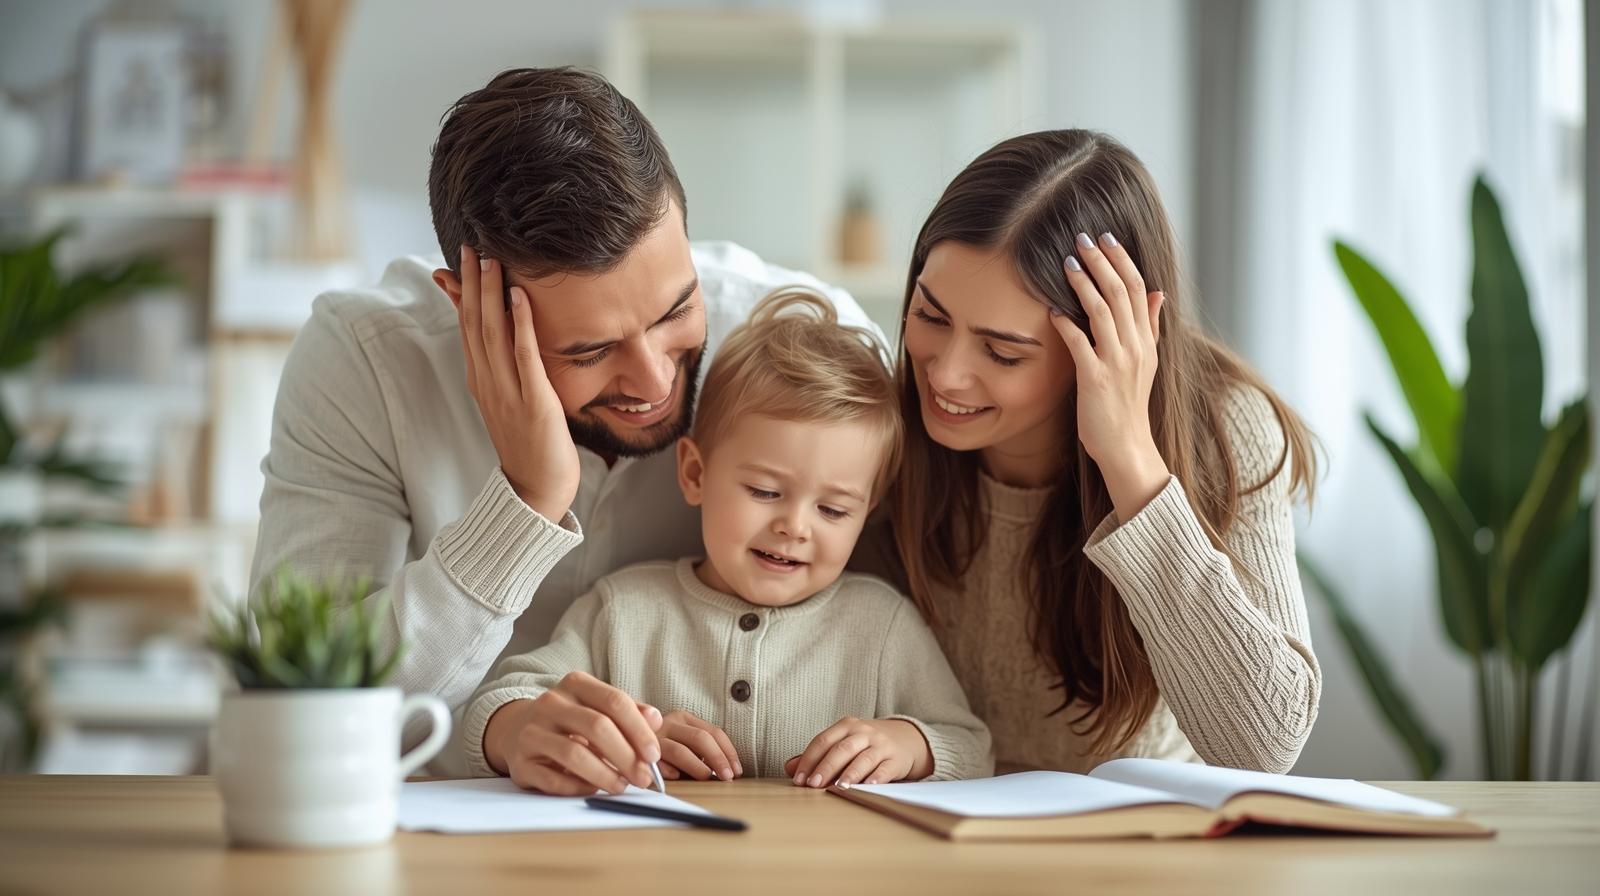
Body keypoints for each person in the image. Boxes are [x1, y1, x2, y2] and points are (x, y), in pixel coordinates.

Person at [249, 67, 880, 777]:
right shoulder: (363, 363)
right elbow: (299, 711)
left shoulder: (808, 355)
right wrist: (525, 499)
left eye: (676, 310)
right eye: (591, 349)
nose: (655, 380)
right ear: (466, 305)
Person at [870, 129, 1322, 775]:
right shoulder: (884, 423)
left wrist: (1132, 459)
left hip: (1140, 850)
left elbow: (1265, 746)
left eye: (1001, 352)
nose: (944, 375)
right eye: (930, 316)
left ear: (1107, 342)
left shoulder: (1226, 429)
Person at [465, 292, 992, 794]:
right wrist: (596, 739)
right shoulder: (622, 610)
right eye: (765, 491)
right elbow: (503, 703)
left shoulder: (883, 624)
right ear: (695, 473)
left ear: (867, 513)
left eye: (833, 509)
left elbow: (973, 748)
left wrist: (910, 745)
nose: (796, 526)